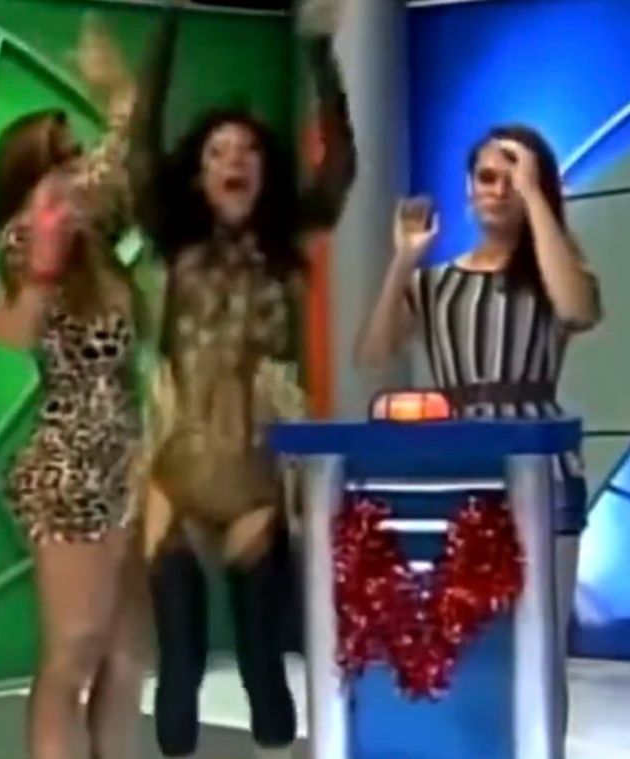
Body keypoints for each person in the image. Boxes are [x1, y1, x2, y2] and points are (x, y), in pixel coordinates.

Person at [127, 1, 356, 757]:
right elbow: (139, 146)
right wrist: (168, 24)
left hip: (255, 484)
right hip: (177, 480)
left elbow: (340, 168)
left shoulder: (286, 244)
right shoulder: (174, 242)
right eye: (218, 150)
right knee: (180, 670)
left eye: (249, 150)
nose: (235, 160)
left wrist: (320, 56)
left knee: (264, 672)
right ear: (198, 174)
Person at [355, 124, 602, 733]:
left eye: (514, 178)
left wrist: (537, 198)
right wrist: (403, 259)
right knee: (466, 648)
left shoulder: (554, 273)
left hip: (541, 469)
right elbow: (373, 353)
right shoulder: (435, 283)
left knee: (539, 648)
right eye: (487, 177)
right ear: (468, 187)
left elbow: (578, 310)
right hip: (456, 473)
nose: (498, 190)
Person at [0, 17, 148, 759]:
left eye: (79, 155)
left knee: (128, 655)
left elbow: (128, 156)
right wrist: (48, 250)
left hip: (123, 460)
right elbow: (20, 321)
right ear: (27, 179)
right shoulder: (26, 241)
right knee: (73, 651)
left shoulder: (93, 236)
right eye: (63, 160)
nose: (81, 170)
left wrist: (117, 89)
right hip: (68, 467)